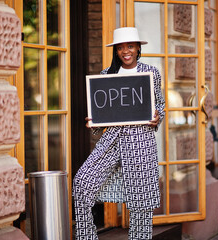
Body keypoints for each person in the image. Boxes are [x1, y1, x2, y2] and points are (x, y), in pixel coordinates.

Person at [73, 27, 165, 240]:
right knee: (81, 184)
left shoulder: (151, 73)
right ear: (116, 50)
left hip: (141, 142)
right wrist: (93, 124)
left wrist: (158, 116)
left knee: (141, 205)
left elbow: (160, 104)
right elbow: (102, 114)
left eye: (130, 46)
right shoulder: (107, 74)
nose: (126, 51)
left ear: (138, 48)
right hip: (111, 142)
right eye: (121, 47)